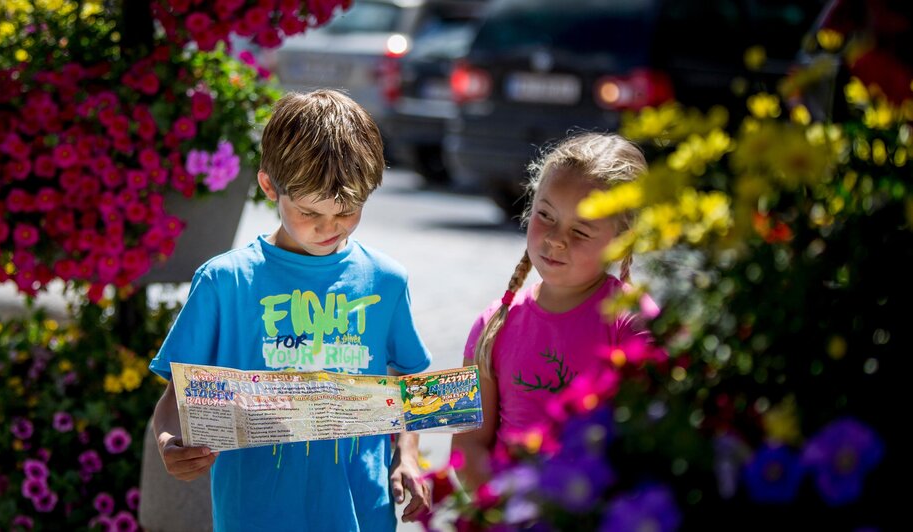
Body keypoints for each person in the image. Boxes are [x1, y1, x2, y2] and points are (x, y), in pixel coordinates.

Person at [149, 89, 432, 531]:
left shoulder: (386, 280)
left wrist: (408, 456)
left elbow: (410, 383)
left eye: (347, 211)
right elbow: (175, 400)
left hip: (363, 514)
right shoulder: (225, 282)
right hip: (254, 516)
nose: (328, 227)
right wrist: (170, 444)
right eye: (308, 211)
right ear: (268, 186)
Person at [451, 132, 660, 489]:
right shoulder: (491, 326)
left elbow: (648, 449)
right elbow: (468, 445)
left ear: (622, 240)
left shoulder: (632, 322)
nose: (555, 239)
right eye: (545, 215)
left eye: (580, 230)